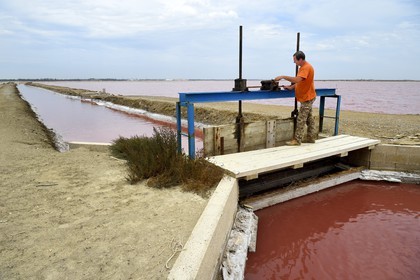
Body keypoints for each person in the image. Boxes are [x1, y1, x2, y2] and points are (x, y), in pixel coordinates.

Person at [274, 51, 317, 146]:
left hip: (307, 97)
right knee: (309, 118)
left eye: (295, 60)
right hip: (308, 96)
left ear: (300, 59)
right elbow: (300, 81)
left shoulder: (306, 67)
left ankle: (297, 140)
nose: (294, 62)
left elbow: (297, 79)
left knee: (301, 119)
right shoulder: (303, 67)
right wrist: (291, 87)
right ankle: (311, 138)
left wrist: (282, 76)